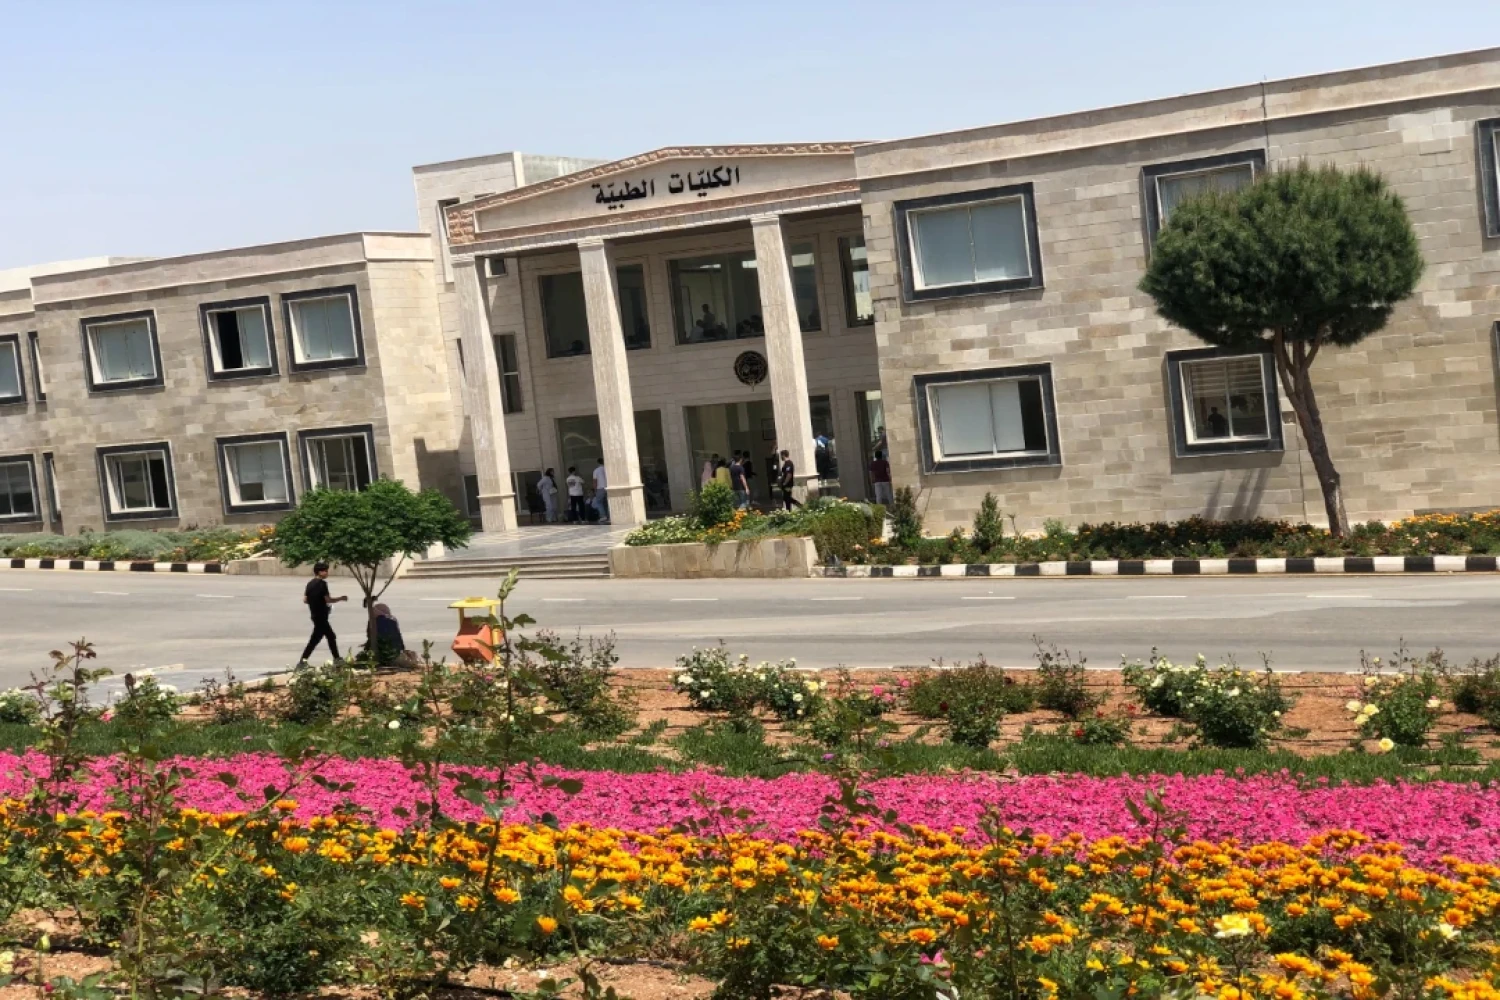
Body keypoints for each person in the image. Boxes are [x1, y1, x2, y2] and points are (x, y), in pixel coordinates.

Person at [299, 562, 347, 664]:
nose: (327, 573)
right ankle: (337, 659)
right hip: (321, 616)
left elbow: (305, 600)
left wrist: (315, 603)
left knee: (319, 638)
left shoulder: (310, 583)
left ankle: (303, 661)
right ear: (320, 572)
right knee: (328, 637)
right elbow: (328, 600)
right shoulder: (322, 584)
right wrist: (341, 598)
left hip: (315, 615)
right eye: (325, 571)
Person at [371, 603, 417, 669]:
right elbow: (400, 643)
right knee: (413, 657)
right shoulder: (392, 621)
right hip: (394, 657)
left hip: (381, 658)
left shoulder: (372, 623)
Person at [592, 458, 610, 524]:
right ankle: (609, 517)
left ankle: (603, 516)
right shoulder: (608, 469)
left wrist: (594, 489)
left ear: (598, 463)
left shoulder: (596, 470)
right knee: (608, 503)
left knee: (599, 502)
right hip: (608, 487)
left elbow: (595, 481)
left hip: (600, 488)